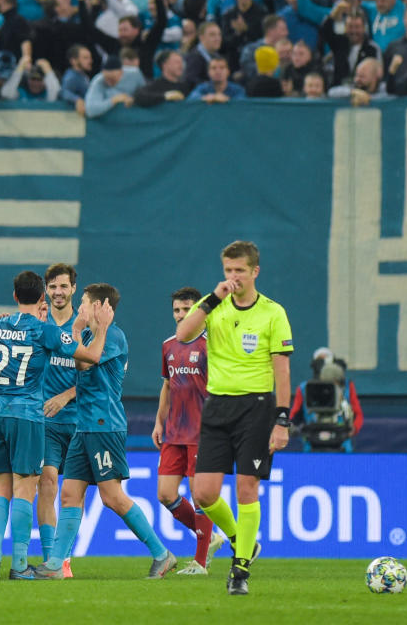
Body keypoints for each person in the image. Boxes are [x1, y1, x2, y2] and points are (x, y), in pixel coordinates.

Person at [34, 283, 177, 580]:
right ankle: (56, 564)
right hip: (83, 426)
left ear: (99, 307)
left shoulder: (113, 335)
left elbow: (89, 361)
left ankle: (162, 554)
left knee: (112, 497)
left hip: (104, 425)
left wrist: (92, 329)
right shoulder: (89, 334)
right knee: (70, 494)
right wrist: (76, 332)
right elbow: (78, 358)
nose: (80, 307)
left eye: (85, 302)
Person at [175, 240, 294, 596]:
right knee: (204, 492)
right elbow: (183, 335)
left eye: (240, 270)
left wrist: (282, 419)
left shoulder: (273, 313)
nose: (233, 277)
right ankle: (242, 541)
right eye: (228, 270)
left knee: (247, 487)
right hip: (217, 407)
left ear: (255, 271)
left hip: (256, 408)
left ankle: (239, 569)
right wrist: (212, 298)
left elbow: (283, 371)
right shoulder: (213, 305)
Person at [0, 271, 111, 581]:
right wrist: (102, 328)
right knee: (26, 487)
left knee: (1, 486)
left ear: (14, 296)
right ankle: (20, 564)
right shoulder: (45, 331)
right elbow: (91, 356)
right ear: (43, 298)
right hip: (27, 415)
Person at [151, 287, 225, 575]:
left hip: (202, 432)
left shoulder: (212, 345)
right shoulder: (169, 345)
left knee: (200, 497)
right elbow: (167, 386)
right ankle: (210, 537)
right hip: (174, 432)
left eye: (187, 310)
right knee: (165, 494)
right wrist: (159, 422)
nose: (181, 315)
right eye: (177, 310)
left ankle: (201, 561)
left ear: (200, 312)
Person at [36, 264, 79, 577]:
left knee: (73, 493)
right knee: (47, 481)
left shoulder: (85, 323)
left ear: (73, 288)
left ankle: (64, 556)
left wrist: (66, 395)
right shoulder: (38, 322)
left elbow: (98, 372)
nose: (58, 293)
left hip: (79, 419)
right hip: (45, 420)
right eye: (52, 287)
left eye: (63, 286)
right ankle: (53, 558)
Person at [290, 347, 365, 453]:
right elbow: (295, 416)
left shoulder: (347, 386)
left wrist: (353, 429)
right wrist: (293, 427)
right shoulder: (305, 388)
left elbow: (358, 414)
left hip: (342, 442)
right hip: (312, 443)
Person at [83, 53, 145, 117]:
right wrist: (113, 100)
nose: (109, 82)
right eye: (106, 78)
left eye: (112, 79)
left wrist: (134, 99)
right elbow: (90, 110)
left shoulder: (135, 74)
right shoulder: (98, 81)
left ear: (121, 72)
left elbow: (145, 94)